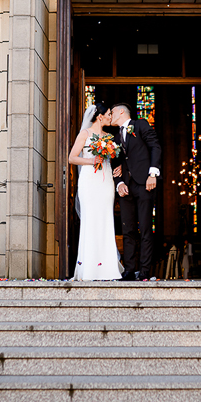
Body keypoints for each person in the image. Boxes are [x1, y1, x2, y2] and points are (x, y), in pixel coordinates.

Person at [67, 100, 123, 281]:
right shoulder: (85, 134)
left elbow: (114, 159)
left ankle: (107, 268)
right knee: (91, 221)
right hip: (89, 182)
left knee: (105, 221)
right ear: (99, 116)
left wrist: (119, 167)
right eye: (108, 114)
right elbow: (72, 158)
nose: (110, 117)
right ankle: (89, 268)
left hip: (106, 182)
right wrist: (91, 161)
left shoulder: (109, 137)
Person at [111, 103, 162, 281]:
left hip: (144, 184)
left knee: (145, 229)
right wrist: (119, 183)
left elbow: (155, 146)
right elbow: (115, 164)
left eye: (112, 112)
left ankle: (145, 271)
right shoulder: (115, 138)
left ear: (121, 112)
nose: (110, 115)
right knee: (128, 230)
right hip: (126, 187)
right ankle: (129, 270)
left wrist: (152, 174)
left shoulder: (140, 124)